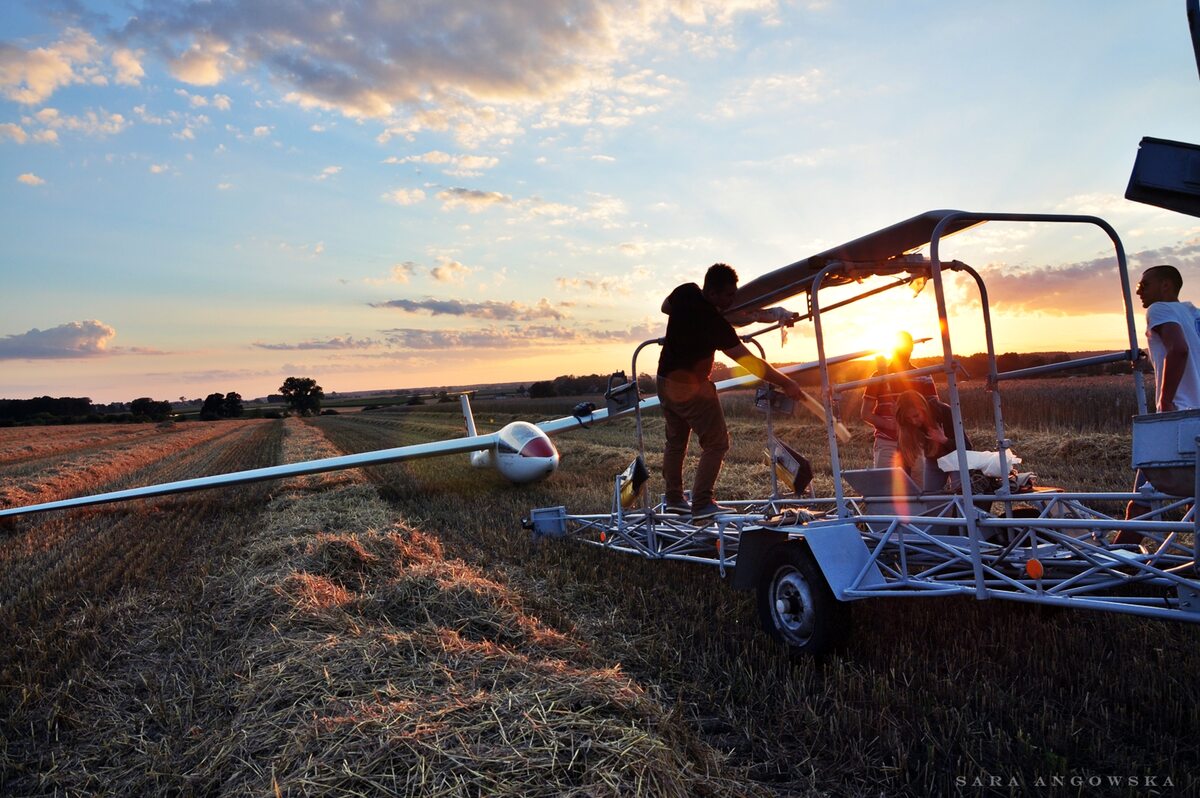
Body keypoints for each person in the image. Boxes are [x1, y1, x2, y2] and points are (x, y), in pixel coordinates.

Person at [657, 263, 804, 519]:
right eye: (728, 295)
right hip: (691, 388)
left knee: (676, 442)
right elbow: (753, 363)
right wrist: (786, 382)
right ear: (712, 293)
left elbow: (665, 308)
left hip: (664, 381)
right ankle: (701, 503)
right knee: (716, 442)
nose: (732, 300)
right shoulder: (714, 323)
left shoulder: (686, 292)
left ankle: (673, 499)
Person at [1117, 264, 1200, 543]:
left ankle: (1121, 565)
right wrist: (1149, 361)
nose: (1139, 290)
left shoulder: (1159, 309)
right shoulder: (1192, 313)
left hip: (1178, 419)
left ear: (1166, 286)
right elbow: (1184, 352)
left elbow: (1179, 350)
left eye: (1146, 284)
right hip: (1196, 416)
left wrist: (1165, 402)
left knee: (1143, 497)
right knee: (1194, 493)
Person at [861, 331, 938, 469]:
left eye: (907, 349)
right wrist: (890, 425)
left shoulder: (923, 376)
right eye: (900, 349)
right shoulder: (878, 377)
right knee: (885, 486)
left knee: (917, 487)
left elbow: (934, 410)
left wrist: (914, 424)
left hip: (915, 441)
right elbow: (865, 413)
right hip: (887, 441)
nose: (904, 353)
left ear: (911, 349)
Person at [894, 389, 964, 493]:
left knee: (960, 497)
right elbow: (904, 459)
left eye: (916, 416)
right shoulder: (906, 425)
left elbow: (966, 447)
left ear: (923, 408)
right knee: (930, 499)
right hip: (934, 461)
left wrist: (944, 440)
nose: (913, 421)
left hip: (956, 459)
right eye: (908, 419)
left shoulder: (944, 411)